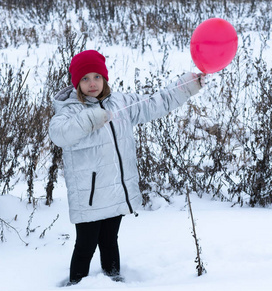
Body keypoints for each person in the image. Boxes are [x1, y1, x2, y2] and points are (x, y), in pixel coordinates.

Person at [48, 50, 204, 285]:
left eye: (97, 77)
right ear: (77, 83)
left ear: (105, 78)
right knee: (85, 247)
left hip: (115, 192)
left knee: (110, 241)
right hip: (89, 197)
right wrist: (90, 118)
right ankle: (75, 284)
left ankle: (114, 281)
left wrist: (187, 84)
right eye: (85, 78)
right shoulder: (71, 109)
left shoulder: (120, 102)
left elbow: (155, 103)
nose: (92, 83)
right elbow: (59, 133)